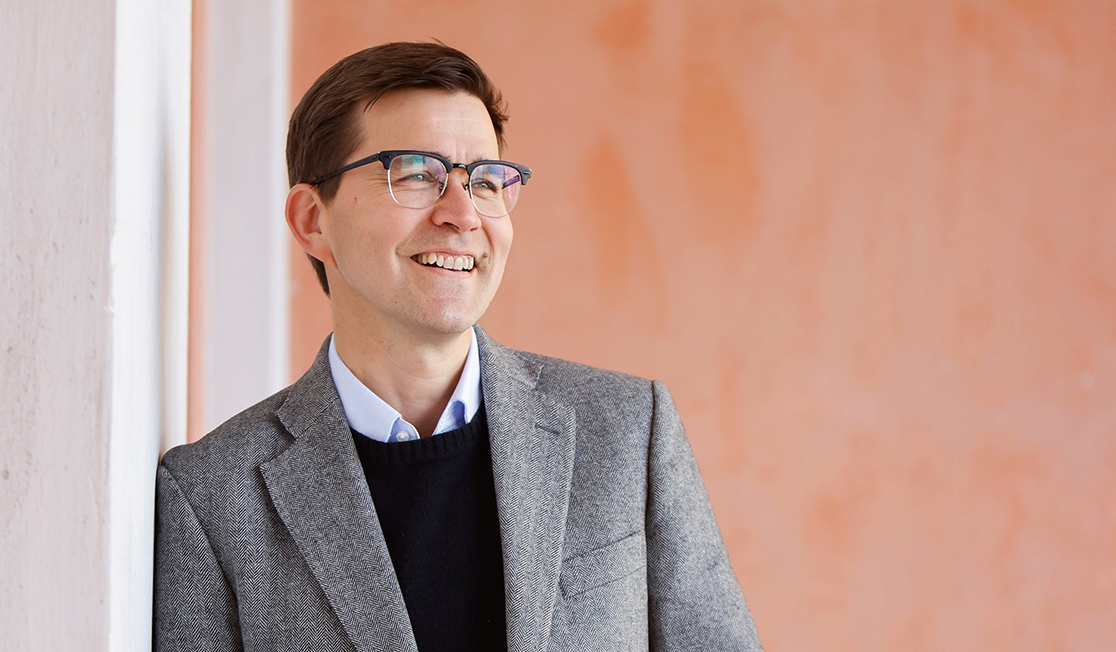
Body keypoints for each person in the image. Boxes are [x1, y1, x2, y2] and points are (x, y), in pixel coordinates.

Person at [154, 41, 762, 652]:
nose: (463, 214)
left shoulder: (628, 431)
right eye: (418, 173)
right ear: (314, 220)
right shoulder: (212, 496)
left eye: (487, 181)